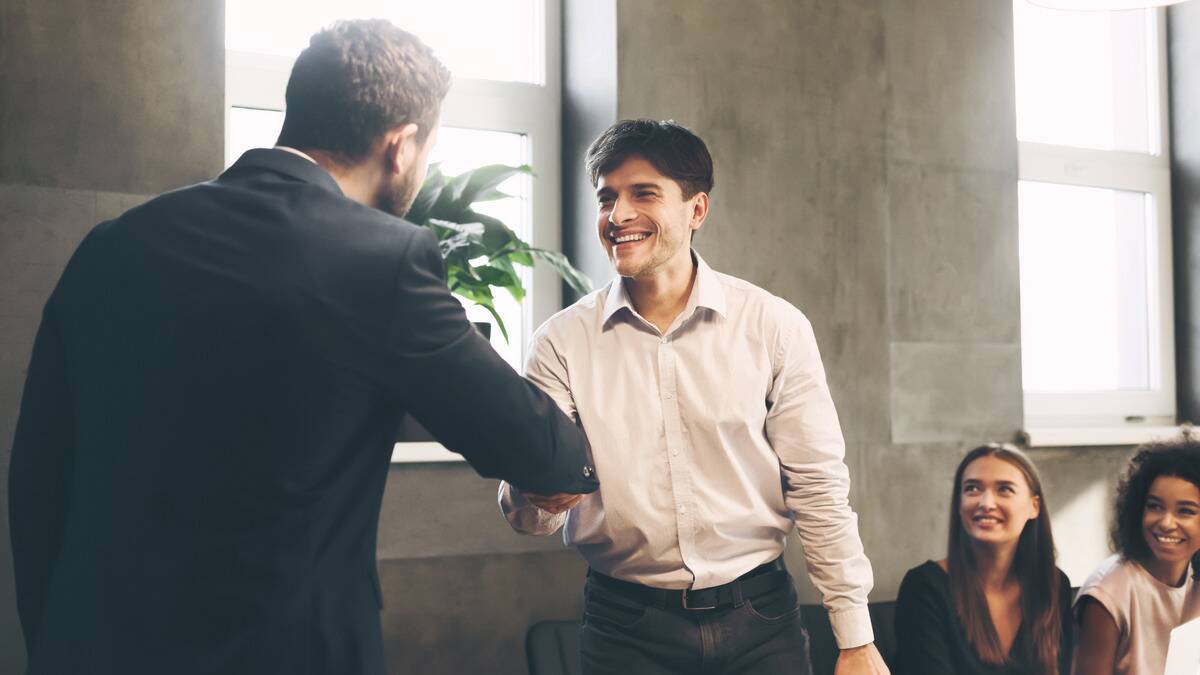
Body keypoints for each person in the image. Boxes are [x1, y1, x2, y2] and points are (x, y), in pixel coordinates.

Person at [8, 19, 597, 675]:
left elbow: (36, 481)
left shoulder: (112, 245)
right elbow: (538, 451)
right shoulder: (384, 261)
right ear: (400, 147)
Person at [497, 119, 888, 675]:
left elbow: (819, 486)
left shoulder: (773, 326)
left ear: (697, 210)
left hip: (761, 619)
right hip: (624, 628)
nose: (619, 215)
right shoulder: (560, 342)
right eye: (607, 198)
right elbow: (530, 512)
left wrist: (855, 638)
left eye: (644, 194)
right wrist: (535, 497)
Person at [894, 443, 1072, 675]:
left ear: (1033, 506)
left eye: (1004, 489)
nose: (986, 503)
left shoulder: (1054, 586)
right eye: (972, 489)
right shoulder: (924, 587)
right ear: (959, 504)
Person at [1073, 439, 1200, 675]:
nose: (1166, 523)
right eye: (1155, 506)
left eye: (1185, 511)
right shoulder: (1108, 593)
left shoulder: (1194, 571)